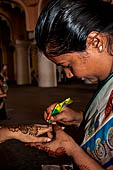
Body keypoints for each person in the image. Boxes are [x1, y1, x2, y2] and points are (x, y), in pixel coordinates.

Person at [28, 0, 113, 169]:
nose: (68, 74)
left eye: (68, 65)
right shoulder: (107, 81)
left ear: (95, 42)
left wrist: (72, 149)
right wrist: (78, 118)